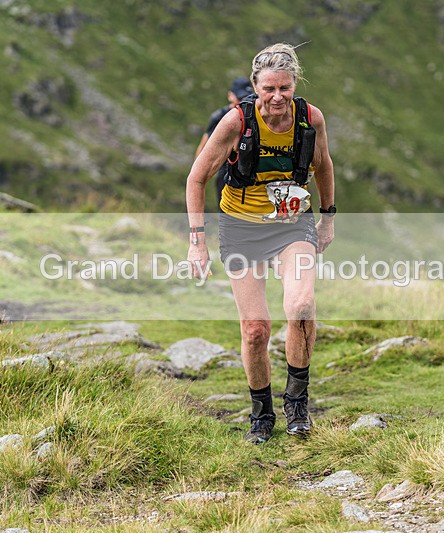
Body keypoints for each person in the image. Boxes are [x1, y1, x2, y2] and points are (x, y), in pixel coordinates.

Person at [186, 43, 336, 443]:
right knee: (256, 329)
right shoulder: (235, 122)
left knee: (301, 305)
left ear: (294, 85)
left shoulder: (310, 118)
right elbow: (196, 178)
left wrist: (328, 218)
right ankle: (261, 413)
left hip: (292, 225)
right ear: (255, 86)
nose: (276, 97)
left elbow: (323, 165)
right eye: (268, 88)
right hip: (241, 228)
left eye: (284, 88)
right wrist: (197, 241)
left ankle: (297, 405)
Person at [194, 77, 254, 211]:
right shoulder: (219, 117)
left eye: (245, 97)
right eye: (239, 98)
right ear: (230, 96)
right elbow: (204, 146)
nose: (241, 102)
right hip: (226, 173)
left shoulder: (253, 115)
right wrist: (198, 176)